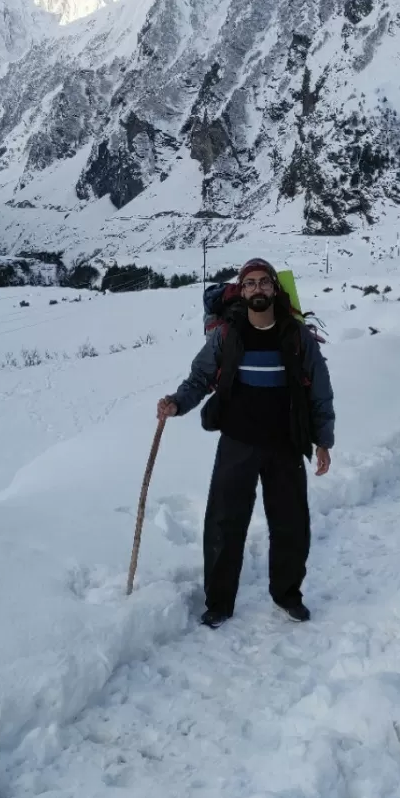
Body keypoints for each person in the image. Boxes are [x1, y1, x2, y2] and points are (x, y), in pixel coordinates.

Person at [157, 257, 335, 628]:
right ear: (242, 290)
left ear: (274, 288)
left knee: (291, 523)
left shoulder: (297, 336)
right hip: (238, 441)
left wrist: (323, 441)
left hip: (287, 442)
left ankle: (288, 595)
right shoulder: (228, 335)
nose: (257, 289)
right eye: (250, 283)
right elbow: (201, 377)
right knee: (224, 522)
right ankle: (218, 603)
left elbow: (319, 391)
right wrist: (177, 403)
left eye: (264, 282)